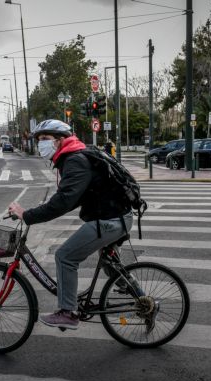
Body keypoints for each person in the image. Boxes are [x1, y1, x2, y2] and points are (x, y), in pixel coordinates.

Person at [8, 119, 133, 330]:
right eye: (39, 140)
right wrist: (44, 207)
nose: (41, 144)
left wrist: (27, 215)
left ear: (60, 141)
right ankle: (136, 294)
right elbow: (71, 196)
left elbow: (63, 202)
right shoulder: (74, 156)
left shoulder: (75, 160)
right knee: (109, 260)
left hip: (110, 220)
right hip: (115, 216)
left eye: (45, 139)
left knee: (65, 256)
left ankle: (68, 312)